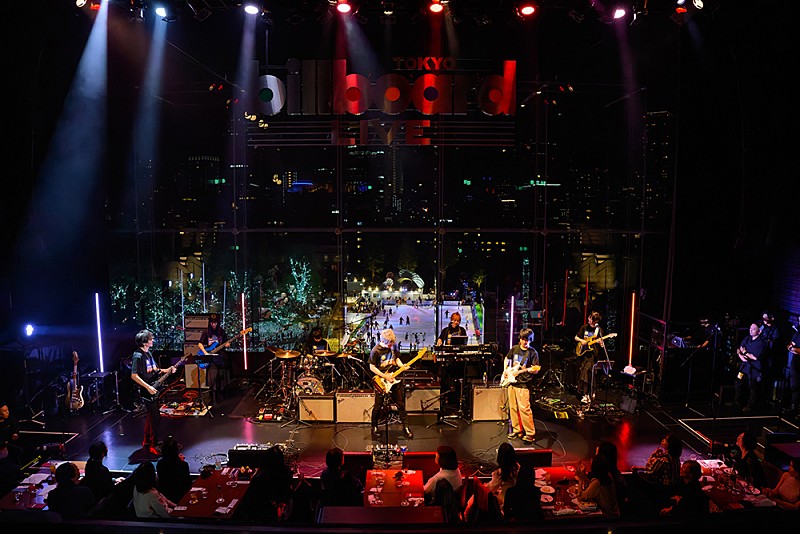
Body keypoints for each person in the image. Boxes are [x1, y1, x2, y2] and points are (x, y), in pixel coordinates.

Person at [130, 329, 176, 455]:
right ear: (144, 342)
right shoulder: (138, 356)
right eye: (150, 339)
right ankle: (153, 444)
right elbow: (134, 375)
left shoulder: (148, 353)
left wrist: (168, 370)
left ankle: (147, 441)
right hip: (147, 391)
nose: (153, 340)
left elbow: (155, 370)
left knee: (152, 417)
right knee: (155, 418)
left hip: (153, 388)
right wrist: (147, 387)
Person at [368, 328, 413, 439]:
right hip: (381, 380)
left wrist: (402, 366)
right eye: (389, 344)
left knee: (400, 404)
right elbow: (372, 367)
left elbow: (396, 359)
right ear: (383, 341)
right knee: (378, 406)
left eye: (392, 343)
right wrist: (385, 376)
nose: (391, 345)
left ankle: (406, 427)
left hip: (393, 378)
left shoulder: (394, 345)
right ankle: (374, 427)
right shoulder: (375, 350)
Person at [502, 328, 540, 443]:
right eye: (523, 339)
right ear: (520, 339)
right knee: (513, 407)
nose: (525, 342)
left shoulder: (532, 352)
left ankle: (530, 433)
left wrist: (528, 370)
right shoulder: (515, 348)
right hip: (512, 382)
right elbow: (507, 358)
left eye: (528, 340)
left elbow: (535, 369)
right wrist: (505, 370)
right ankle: (517, 430)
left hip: (523, 384)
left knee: (524, 409)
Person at [630, 433, 683, 514]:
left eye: (666, 440)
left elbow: (650, 470)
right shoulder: (676, 458)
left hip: (664, 489)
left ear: (669, 444)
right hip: (674, 487)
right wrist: (639, 467)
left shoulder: (664, 459)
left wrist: (652, 455)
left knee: (636, 477)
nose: (663, 440)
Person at [240, 445, 294, 522]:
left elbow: (251, 496)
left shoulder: (260, 477)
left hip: (263, 511)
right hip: (281, 508)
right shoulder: (287, 472)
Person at [734, 322, 768, 412]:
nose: (750, 330)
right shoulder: (747, 338)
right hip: (744, 366)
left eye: (753, 329)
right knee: (738, 380)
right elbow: (739, 348)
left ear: (759, 331)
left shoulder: (761, 343)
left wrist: (745, 352)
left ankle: (750, 406)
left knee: (752, 386)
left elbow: (755, 357)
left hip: (754, 368)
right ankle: (737, 401)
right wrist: (741, 356)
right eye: (750, 328)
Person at [575, 452, 620, 517]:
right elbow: (589, 490)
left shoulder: (597, 482)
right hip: (613, 513)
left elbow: (580, 497)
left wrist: (581, 480)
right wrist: (584, 475)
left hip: (607, 516)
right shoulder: (607, 476)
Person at [574, 311, 605, 404]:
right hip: (584, 354)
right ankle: (586, 393)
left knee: (588, 373)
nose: (588, 319)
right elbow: (576, 337)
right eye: (589, 317)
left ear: (595, 321)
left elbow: (602, 346)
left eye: (590, 318)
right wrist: (582, 341)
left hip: (592, 355)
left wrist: (601, 343)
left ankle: (587, 394)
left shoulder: (599, 330)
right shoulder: (584, 327)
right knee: (584, 373)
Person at [156, 436, 192, 504]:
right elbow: (187, 483)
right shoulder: (183, 465)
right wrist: (181, 462)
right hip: (180, 496)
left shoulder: (160, 464)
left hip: (165, 496)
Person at [486, 442, 519, 510]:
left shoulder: (499, 473)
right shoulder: (518, 468)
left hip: (505, 502)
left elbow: (492, 488)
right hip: (516, 500)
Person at [784, 316, 800, 415]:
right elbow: (790, 344)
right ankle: (794, 406)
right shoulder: (797, 333)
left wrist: (794, 349)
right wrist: (790, 347)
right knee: (794, 384)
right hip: (795, 362)